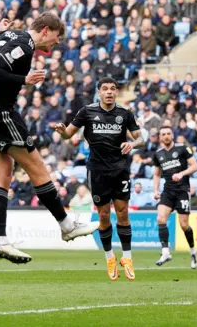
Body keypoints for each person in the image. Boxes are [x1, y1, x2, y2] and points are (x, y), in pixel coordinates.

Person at [0, 13, 99, 264]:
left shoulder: (7, 36)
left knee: (3, 175)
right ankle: (66, 225)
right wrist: (23, 79)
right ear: (46, 30)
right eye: (57, 38)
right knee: (37, 166)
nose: (55, 44)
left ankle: (2, 241)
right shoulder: (24, 45)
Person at [55, 77, 144, 281]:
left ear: (116, 92)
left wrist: (133, 144)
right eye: (105, 89)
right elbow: (69, 134)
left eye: (113, 89)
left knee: (123, 213)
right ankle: (110, 258)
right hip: (97, 171)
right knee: (103, 216)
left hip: (120, 169)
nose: (109, 92)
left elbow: (140, 138)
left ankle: (127, 258)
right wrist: (62, 132)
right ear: (99, 92)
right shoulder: (87, 112)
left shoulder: (125, 113)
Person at [152, 126, 197, 268]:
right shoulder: (158, 154)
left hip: (182, 191)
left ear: (172, 135)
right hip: (168, 191)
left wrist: (182, 174)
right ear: (160, 137)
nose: (166, 136)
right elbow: (156, 174)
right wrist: (155, 190)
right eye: (163, 134)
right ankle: (165, 252)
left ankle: (193, 251)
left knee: (184, 225)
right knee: (160, 218)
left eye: (168, 133)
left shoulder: (182, 149)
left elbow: (195, 166)